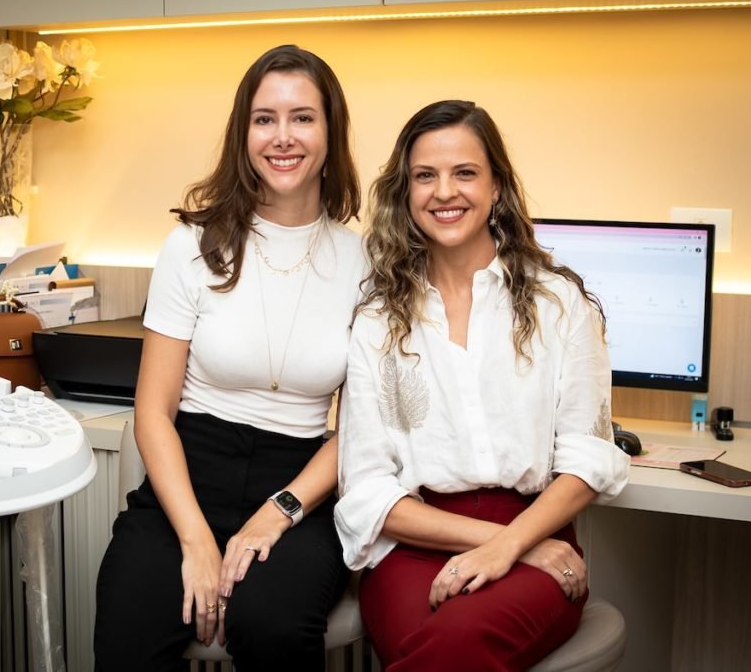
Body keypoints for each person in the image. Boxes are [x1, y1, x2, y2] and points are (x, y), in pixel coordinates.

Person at [94, 44, 365, 672]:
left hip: (302, 483)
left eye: (303, 117)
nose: (283, 136)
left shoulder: (364, 263)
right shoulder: (191, 245)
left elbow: (358, 430)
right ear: (243, 132)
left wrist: (281, 511)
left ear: (331, 131)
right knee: (129, 627)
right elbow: (153, 411)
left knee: (271, 626)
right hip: (188, 475)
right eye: (264, 118)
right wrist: (194, 539)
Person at [334, 100, 630, 671]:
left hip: (536, 539)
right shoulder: (376, 319)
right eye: (426, 176)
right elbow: (368, 491)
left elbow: (588, 460)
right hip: (415, 545)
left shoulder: (559, 303)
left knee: (453, 648)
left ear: (497, 187)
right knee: (442, 652)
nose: (445, 191)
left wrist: (512, 544)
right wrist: (497, 545)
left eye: (464, 173)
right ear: (406, 192)